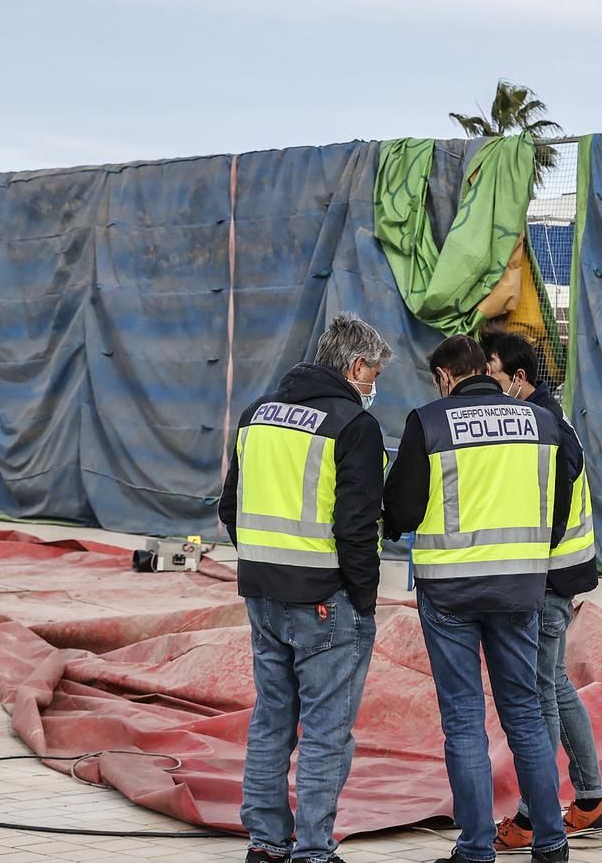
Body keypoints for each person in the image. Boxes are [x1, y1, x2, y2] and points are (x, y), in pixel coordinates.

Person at [383, 334, 580, 863]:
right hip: (520, 587)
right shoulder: (540, 421)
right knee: (525, 713)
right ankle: (552, 843)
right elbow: (563, 490)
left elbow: (399, 511)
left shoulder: (429, 421)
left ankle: (475, 849)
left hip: (449, 592)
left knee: (465, 721)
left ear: (446, 377)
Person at [218, 312, 391, 863]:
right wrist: (363, 599)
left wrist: (264, 563)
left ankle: (266, 844)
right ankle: (314, 850)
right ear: (356, 365)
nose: (373, 384)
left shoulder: (256, 415)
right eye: (373, 372)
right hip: (326, 601)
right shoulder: (354, 426)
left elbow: (230, 506)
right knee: (325, 729)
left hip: (263, 593)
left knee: (272, 719)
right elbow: (357, 527)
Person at [482, 332, 602, 853]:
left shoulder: (546, 431)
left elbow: (547, 514)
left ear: (518, 378)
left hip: (550, 580)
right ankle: (590, 801)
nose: (485, 383)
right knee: (555, 685)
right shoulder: (545, 420)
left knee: (538, 697)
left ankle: (535, 816)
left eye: (492, 372)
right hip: (564, 574)